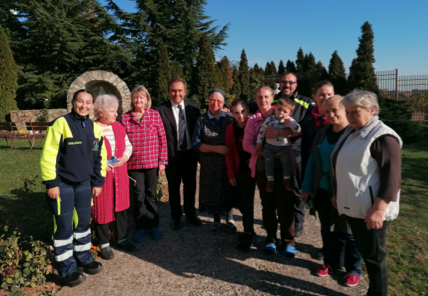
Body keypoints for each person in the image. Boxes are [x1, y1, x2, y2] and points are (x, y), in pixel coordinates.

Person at [331, 90, 402, 296]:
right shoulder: (353, 132)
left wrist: (379, 210)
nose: (350, 117)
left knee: (374, 258)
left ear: (372, 111)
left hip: (370, 211)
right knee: (367, 253)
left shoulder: (383, 137)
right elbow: (345, 168)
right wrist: (338, 194)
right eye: (348, 112)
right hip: (355, 207)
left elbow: (392, 178)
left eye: (355, 112)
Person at [40, 89, 106, 287]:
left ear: (93, 105)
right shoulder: (60, 124)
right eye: (80, 101)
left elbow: (99, 158)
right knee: (64, 226)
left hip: (85, 184)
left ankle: (84, 258)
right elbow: (49, 156)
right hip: (63, 185)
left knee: (83, 224)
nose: (83, 106)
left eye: (88, 103)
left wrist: (98, 181)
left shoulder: (95, 129)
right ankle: (66, 268)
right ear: (73, 102)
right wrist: (52, 183)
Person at [301, 95, 363, 287]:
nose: (330, 114)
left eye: (334, 110)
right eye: (326, 111)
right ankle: (331, 262)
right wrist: (306, 187)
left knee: (349, 232)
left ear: (345, 110)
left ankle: (354, 269)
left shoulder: (354, 134)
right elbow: (313, 160)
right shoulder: (323, 132)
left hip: (346, 192)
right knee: (327, 229)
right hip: (322, 189)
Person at [243, 86, 297, 257]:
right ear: (256, 99)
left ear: (272, 98)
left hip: (284, 165)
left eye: (266, 96)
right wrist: (266, 152)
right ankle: (271, 239)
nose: (263, 100)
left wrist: (279, 133)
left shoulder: (283, 112)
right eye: (259, 97)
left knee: (285, 204)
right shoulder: (254, 120)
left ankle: (288, 241)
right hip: (263, 166)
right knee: (268, 205)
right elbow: (247, 144)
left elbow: (295, 131)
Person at [120, 85, 168, 243]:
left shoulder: (154, 115)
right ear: (132, 99)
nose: (138, 100)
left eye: (141, 97)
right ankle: (141, 227)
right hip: (133, 165)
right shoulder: (125, 118)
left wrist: (162, 162)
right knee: (139, 197)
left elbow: (162, 139)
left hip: (152, 163)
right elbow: (121, 142)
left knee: (151, 196)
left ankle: (153, 226)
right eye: (135, 97)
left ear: (147, 99)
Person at [271, 72, 315, 237]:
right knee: (278, 188)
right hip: (275, 152)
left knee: (296, 188)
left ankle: (298, 221)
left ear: (296, 85)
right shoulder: (273, 101)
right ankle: (280, 219)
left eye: (291, 82)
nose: (287, 85)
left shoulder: (306, 103)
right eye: (284, 82)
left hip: (296, 153)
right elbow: (254, 107)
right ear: (279, 84)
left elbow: (311, 125)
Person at [92, 94, 135, 260]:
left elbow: (128, 146)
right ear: (101, 112)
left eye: (116, 110)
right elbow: (92, 152)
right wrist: (102, 164)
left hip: (120, 175)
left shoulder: (118, 127)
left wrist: (124, 157)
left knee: (121, 208)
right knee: (102, 209)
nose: (116, 114)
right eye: (112, 111)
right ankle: (104, 244)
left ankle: (122, 238)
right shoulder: (94, 129)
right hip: (103, 177)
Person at [156, 78, 202, 230]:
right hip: (172, 155)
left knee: (190, 185)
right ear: (169, 92)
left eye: (180, 90)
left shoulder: (193, 107)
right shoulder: (161, 110)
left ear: (185, 91)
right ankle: (176, 216)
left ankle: (190, 214)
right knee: (173, 187)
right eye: (173, 90)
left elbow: (202, 126)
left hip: (189, 154)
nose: (177, 94)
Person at [192, 88, 235, 233]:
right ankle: (216, 220)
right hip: (210, 163)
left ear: (223, 103)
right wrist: (215, 148)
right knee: (213, 192)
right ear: (208, 101)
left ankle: (230, 218)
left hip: (227, 162)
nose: (215, 103)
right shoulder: (202, 120)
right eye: (212, 100)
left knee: (229, 189)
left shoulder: (230, 119)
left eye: (219, 101)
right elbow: (196, 143)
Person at [225, 99, 256, 249]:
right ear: (232, 113)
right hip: (241, 168)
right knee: (243, 200)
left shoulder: (254, 124)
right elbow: (229, 153)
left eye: (243, 111)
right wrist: (231, 174)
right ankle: (249, 230)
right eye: (236, 112)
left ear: (247, 110)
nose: (241, 115)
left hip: (255, 167)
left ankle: (249, 232)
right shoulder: (230, 129)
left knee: (249, 201)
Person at [256, 98, 301, 192]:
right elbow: (262, 131)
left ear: (289, 113)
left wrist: (290, 123)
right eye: (279, 109)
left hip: (283, 147)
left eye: (285, 111)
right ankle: (270, 180)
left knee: (286, 160)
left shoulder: (289, 120)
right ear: (275, 109)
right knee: (268, 161)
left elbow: (298, 129)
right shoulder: (270, 119)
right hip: (269, 146)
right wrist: (259, 142)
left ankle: (286, 178)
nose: (281, 113)